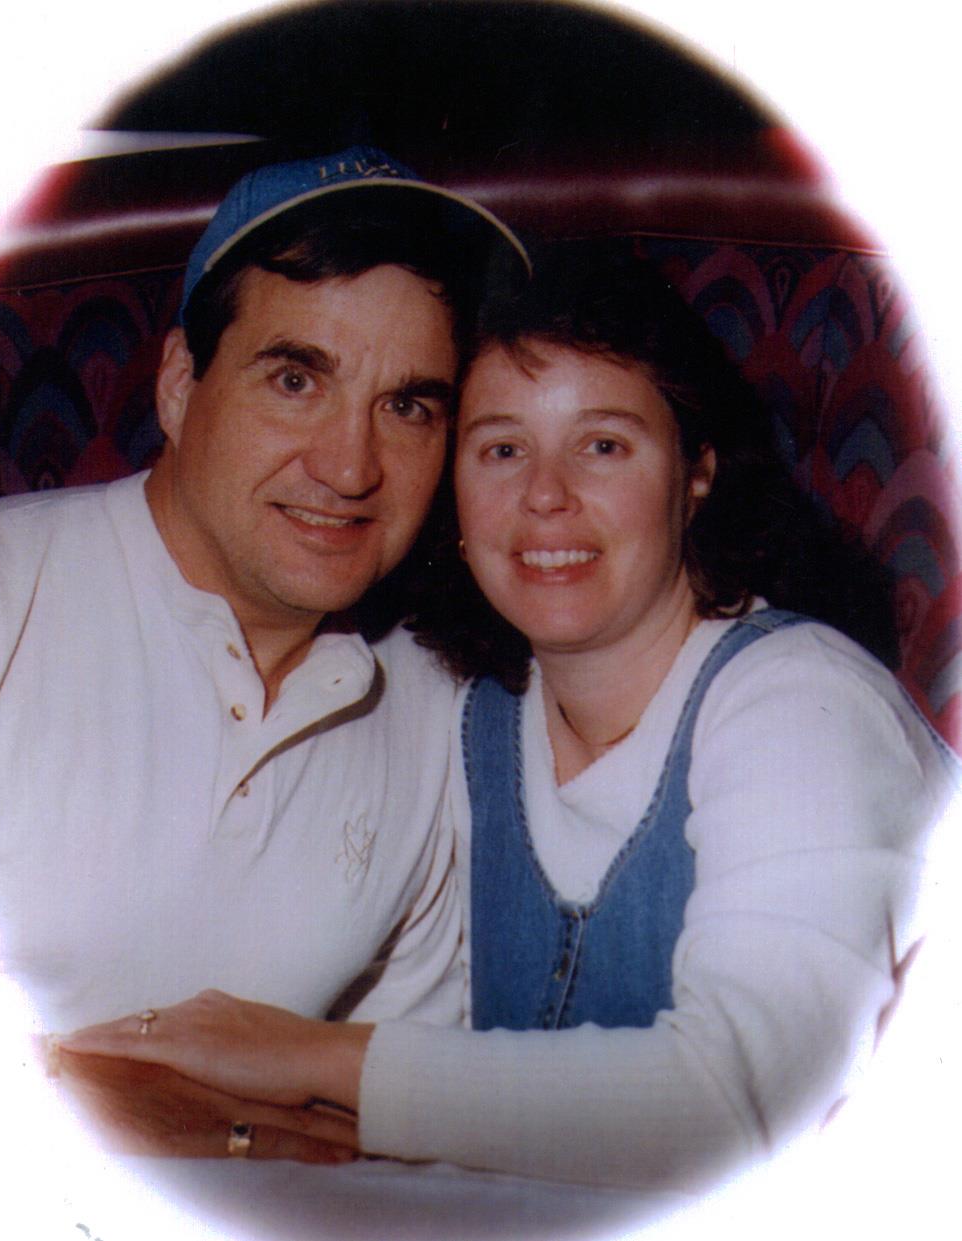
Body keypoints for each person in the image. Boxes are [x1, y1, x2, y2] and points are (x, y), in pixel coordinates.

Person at [62, 246, 956, 1188]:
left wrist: (307, 1055)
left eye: (603, 445)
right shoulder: (473, 715)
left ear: (696, 471)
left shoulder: (803, 704)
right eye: (501, 449)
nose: (545, 495)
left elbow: (744, 1101)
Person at [0, 146, 529, 1158]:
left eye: (407, 405)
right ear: (178, 384)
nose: (350, 466)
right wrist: (93, 1102)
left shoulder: (437, 711)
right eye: (295, 379)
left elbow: (393, 1134)